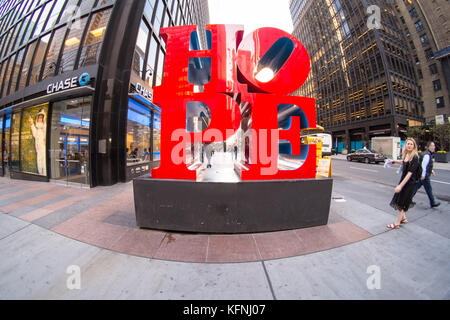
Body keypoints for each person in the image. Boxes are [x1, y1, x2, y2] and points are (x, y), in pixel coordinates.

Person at [386, 138, 420, 230]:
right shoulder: (407, 154)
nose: (409, 145)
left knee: (401, 203)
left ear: (414, 146)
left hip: (409, 183)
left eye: (411, 144)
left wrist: (400, 186)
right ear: (405, 145)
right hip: (403, 181)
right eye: (408, 144)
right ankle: (404, 219)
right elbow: (403, 163)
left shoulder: (415, 157)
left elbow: (410, 173)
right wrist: (393, 161)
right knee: (399, 199)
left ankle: (397, 223)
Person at [412, 142, 441, 208]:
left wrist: (432, 171)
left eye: (434, 146)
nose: (434, 147)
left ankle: (408, 199)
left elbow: (427, 165)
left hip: (423, 174)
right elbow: (423, 165)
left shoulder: (427, 154)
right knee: (429, 189)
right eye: (432, 146)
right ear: (429, 147)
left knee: (416, 187)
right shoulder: (427, 155)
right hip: (424, 175)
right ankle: (433, 202)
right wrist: (423, 175)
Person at [29, 109, 47, 176]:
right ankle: (40, 174)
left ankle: (45, 174)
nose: (40, 119)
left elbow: (45, 129)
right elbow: (35, 134)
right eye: (39, 118)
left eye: (41, 118)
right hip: (39, 146)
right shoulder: (37, 128)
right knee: (39, 160)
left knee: (44, 160)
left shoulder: (44, 127)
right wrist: (32, 124)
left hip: (44, 146)